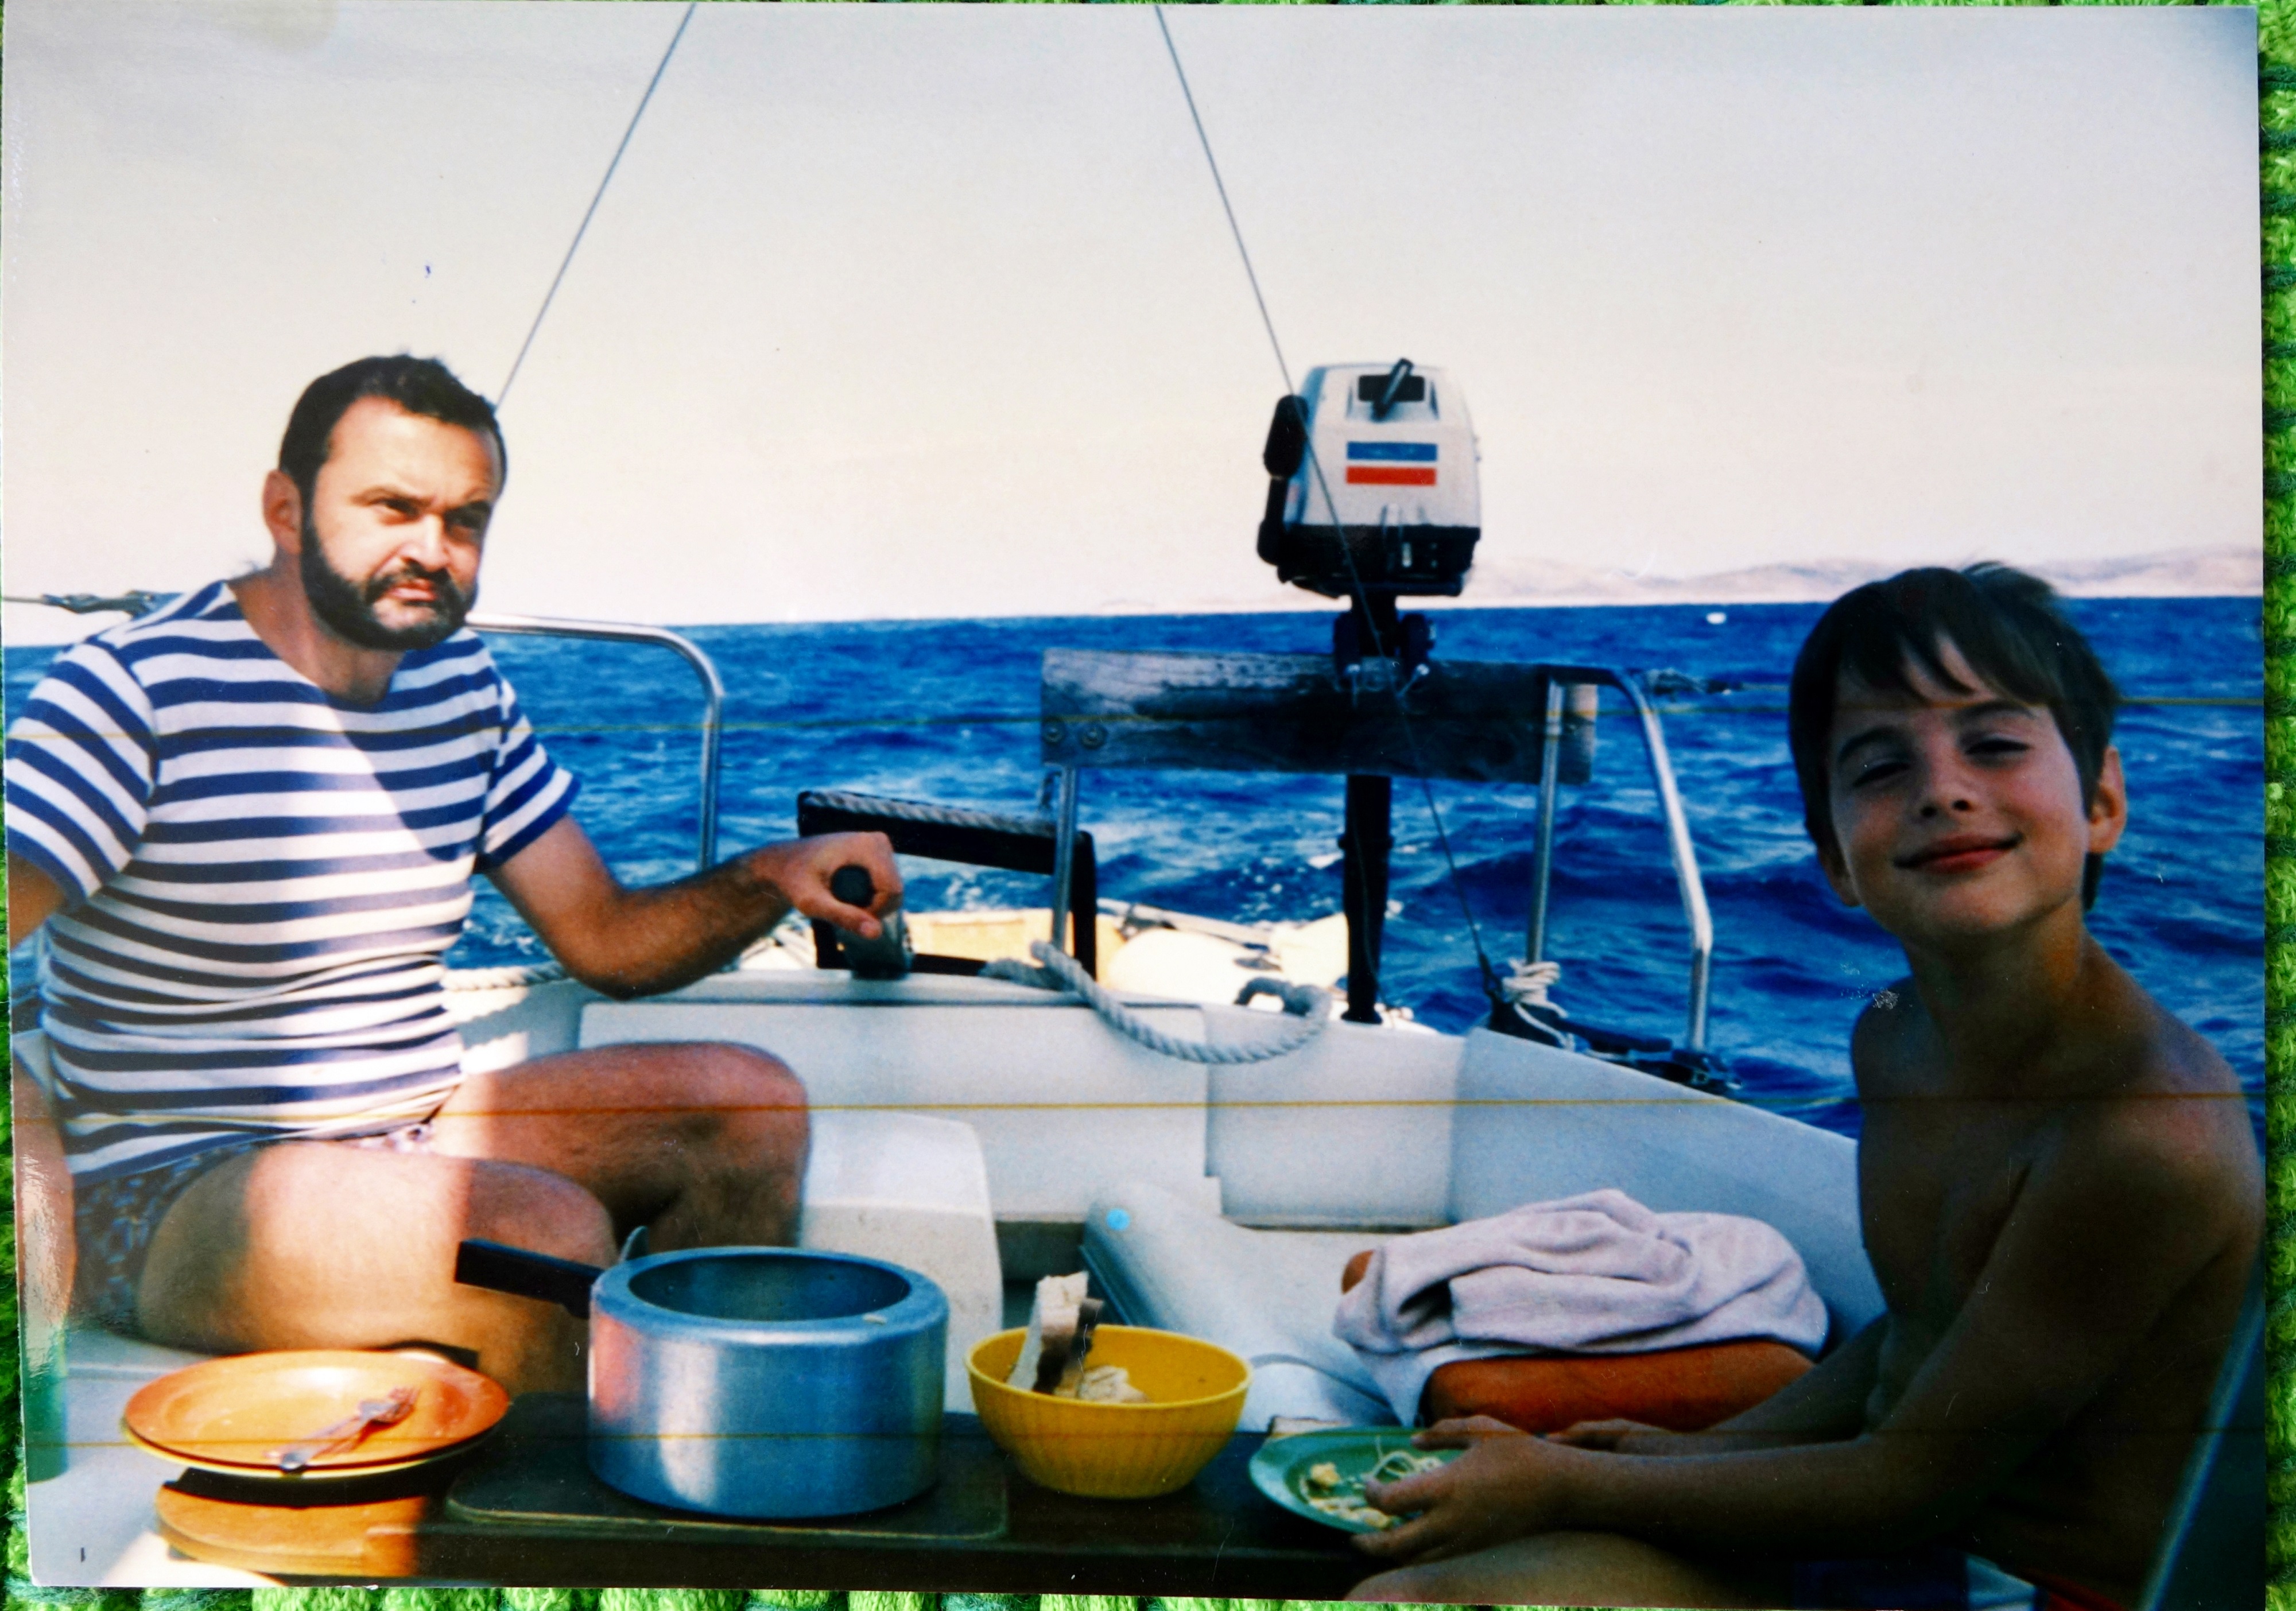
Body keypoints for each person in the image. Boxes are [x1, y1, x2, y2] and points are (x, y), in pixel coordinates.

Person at [1348, 565, 2261, 1610]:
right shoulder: (1894, 1033)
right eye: (1880, 766)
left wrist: (1567, 1484)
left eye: (1995, 744)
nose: (1943, 789)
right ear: (1833, 859)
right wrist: (1660, 1452)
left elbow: (1908, 1490)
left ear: (2101, 802)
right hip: (1901, 1542)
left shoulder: (2145, 1134)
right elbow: (1919, 1331)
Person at [5, 355, 903, 1395]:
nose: (432, 550)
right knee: (532, 1234)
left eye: (464, 519)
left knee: (748, 1107)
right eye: (393, 508)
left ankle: (712, 1446)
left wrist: (772, 877)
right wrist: (30, 1145)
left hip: (410, 1127)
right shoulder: (134, 692)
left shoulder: (459, 685)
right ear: (286, 511)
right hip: (171, 1189)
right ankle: (588, 1485)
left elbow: (606, 939)